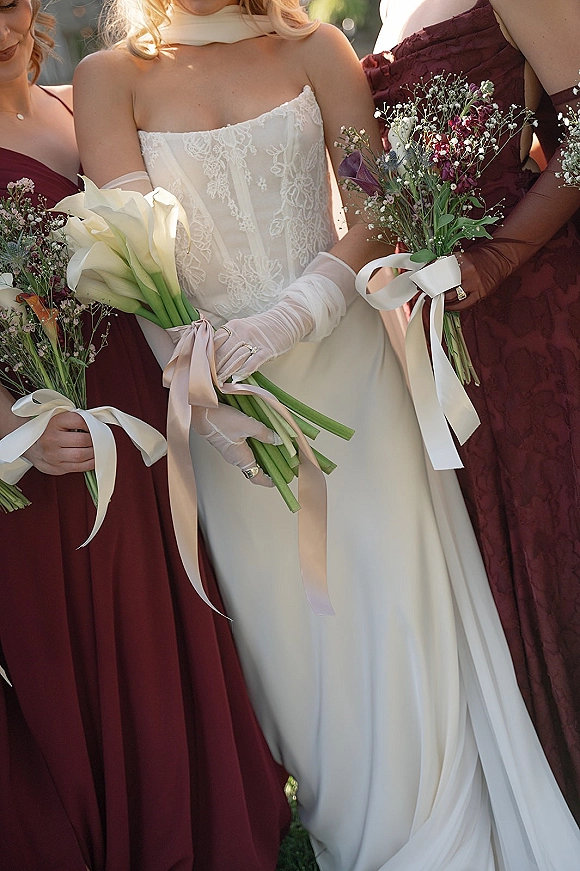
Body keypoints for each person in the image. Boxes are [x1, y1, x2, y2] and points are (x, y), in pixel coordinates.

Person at [74, 0, 580, 868]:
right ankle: (359, 839)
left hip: (348, 369)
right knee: (295, 646)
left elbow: (374, 206)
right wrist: (192, 367)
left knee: (400, 606)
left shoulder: (319, 47)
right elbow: (131, 256)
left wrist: (294, 314)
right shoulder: (106, 78)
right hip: (219, 397)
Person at [0, 3, 291, 869]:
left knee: (159, 624)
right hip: (49, 436)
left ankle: (194, 830)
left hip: (137, 407)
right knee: (83, 653)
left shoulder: (70, 102)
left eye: (11, 2)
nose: (0, 26)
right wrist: (13, 431)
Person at [365, 0, 580, 822]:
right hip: (449, 337)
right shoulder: (384, 9)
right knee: (503, 557)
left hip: (534, 319)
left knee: (557, 539)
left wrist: (490, 265)